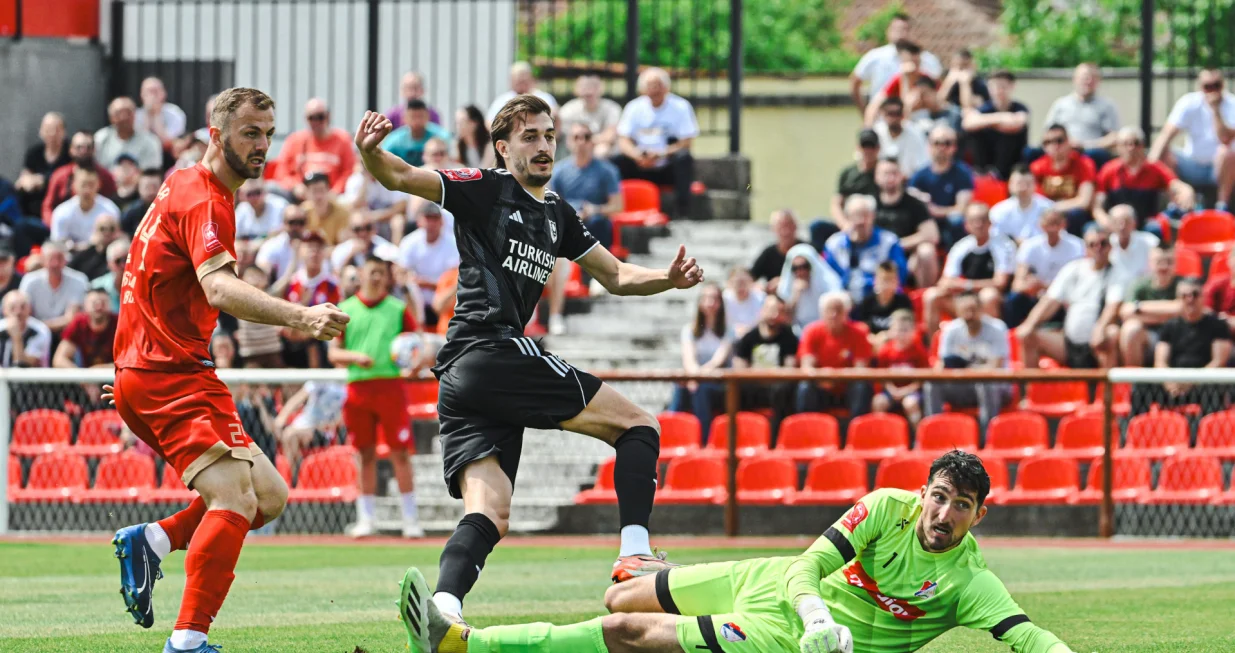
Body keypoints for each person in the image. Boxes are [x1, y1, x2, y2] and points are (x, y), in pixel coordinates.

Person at [354, 93, 704, 618]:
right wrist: (369, 153)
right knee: (639, 426)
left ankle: (444, 609)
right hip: (490, 349)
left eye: (548, 135)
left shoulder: (558, 213)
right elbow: (402, 176)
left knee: (490, 514)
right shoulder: (486, 189)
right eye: (529, 137)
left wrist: (667, 279)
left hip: (461, 375)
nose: (543, 147)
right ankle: (634, 555)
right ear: (502, 148)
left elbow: (615, 275)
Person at [105, 87, 350, 653]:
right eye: (250, 133)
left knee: (268, 495)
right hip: (169, 376)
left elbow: (150, 282)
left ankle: (154, 541)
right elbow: (217, 287)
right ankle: (187, 643)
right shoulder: (206, 198)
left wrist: (127, 368)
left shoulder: (186, 184)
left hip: (160, 370)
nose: (263, 145)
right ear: (217, 136)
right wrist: (302, 316)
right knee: (236, 500)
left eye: (268, 133)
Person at [399, 450, 1078, 653]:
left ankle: (462, 644)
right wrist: (818, 611)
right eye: (937, 495)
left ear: (978, 514)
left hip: (778, 632)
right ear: (923, 491)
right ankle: (648, 565)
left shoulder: (967, 577)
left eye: (960, 505)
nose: (942, 512)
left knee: (625, 630)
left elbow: (1026, 635)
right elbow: (811, 562)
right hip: (779, 582)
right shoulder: (885, 505)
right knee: (619, 591)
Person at [326, 256, 424, 538]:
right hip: (358, 387)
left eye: (381, 273)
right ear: (361, 275)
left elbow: (415, 344)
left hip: (391, 387)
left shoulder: (397, 309)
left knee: (400, 452)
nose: (377, 278)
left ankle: (410, 519)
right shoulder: (345, 309)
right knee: (364, 453)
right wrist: (356, 357)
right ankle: (366, 518)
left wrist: (414, 362)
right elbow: (334, 353)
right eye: (372, 272)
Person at [546, 121, 624, 334]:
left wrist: (594, 210)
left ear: (593, 141)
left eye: (586, 137)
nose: (581, 142)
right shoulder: (560, 170)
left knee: (600, 223)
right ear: (569, 142)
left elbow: (617, 205)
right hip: (567, 223)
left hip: (593, 221)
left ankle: (597, 277)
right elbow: (550, 204)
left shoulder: (606, 171)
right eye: (576, 137)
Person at [1017, 227, 1125, 369]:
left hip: (1098, 343)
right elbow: (1050, 301)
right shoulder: (1073, 268)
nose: (1098, 248)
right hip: (1069, 344)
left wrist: (1100, 329)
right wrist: (1029, 324)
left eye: (1103, 243)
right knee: (1028, 337)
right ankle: (1029, 390)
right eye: (1092, 244)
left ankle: (1107, 391)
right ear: (1086, 248)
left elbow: (1113, 307)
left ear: (1110, 247)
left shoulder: (1118, 272)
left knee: (1111, 334)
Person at [1131, 277, 1232, 415]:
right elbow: (1160, 361)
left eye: (1195, 294)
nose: (1190, 299)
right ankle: (1132, 433)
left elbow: (1218, 362)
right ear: (1178, 299)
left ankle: (1205, 433)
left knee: (1215, 390)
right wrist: (1169, 381)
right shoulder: (1169, 326)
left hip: (1202, 386)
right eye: (1184, 296)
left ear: (1203, 297)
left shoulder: (1218, 326)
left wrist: (1191, 381)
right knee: (1140, 386)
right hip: (1173, 386)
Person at [613, 67, 699, 217]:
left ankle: (683, 210)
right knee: (615, 162)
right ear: (642, 89)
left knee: (684, 158)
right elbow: (623, 140)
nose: (654, 90)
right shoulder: (634, 107)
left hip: (666, 165)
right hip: (640, 164)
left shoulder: (681, 106)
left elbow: (686, 143)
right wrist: (637, 155)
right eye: (650, 86)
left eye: (658, 85)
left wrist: (662, 154)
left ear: (666, 87)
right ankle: (617, 208)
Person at [1148, 67, 1235, 210]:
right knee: (1165, 151)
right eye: (1207, 86)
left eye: (1216, 85)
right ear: (1199, 87)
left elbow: (1225, 139)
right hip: (1192, 163)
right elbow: (1166, 135)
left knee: (1226, 152)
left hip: (1220, 169)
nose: (1212, 90)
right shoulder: (1189, 102)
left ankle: (1222, 206)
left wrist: (1215, 111)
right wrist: (1150, 164)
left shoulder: (1232, 104)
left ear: (1223, 85)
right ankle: (1175, 204)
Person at [924, 203, 1016, 334]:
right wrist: (957, 286)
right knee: (931, 295)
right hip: (966, 300)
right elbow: (945, 281)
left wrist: (966, 285)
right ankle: (933, 347)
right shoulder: (961, 247)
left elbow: (1000, 283)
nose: (978, 225)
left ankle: (991, 343)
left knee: (988, 295)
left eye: (982, 220)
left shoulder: (1004, 245)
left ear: (990, 223)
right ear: (966, 225)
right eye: (974, 221)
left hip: (997, 301)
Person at [925, 292, 1013, 429]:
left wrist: (964, 370)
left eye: (972, 309)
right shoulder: (951, 330)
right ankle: (934, 432)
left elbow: (996, 367)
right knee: (932, 384)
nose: (969, 315)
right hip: (964, 385)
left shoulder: (997, 328)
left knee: (986, 384)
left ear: (981, 309)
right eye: (965, 310)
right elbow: (941, 365)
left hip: (996, 387)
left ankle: (987, 439)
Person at [1095, 126, 1194, 234]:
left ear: (1142, 146)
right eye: (1126, 144)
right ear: (1118, 147)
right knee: (1093, 230)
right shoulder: (1108, 170)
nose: (1131, 148)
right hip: (1117, 224)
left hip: (1147, 224)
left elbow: (1176, 185)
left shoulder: (1154, 169)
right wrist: (1105, 221)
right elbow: (1097, 206)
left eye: (1136, 143)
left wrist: (1187, 190)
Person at [668, 283, 733, 438]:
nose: (710, 303)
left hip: (719, 384)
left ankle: (703, 439)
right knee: (681, 386)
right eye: (706, 298)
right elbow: (689, 360)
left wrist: (696, 378)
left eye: (714, 298)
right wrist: (694, 377)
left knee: (700, 389)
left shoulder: (728, 331)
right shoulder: (689, 330)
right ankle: (669, 434)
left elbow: (718, 360)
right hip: (696, 380)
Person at [1004, 207, 1085, 328]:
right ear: (1040, 224)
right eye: (1048, 223)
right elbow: (1017, 284)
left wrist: (1044, 286)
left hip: (1063, 298)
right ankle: (1011, 337)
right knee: (1014, 299)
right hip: (1035, 295)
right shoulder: (1029, 246)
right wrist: (1031, 287)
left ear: (1064, 224)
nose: (1052, 227)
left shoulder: (1076, 246)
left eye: (1056, 223)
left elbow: (1079, 282)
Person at [732, 293, 798, 439]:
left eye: (779, 311)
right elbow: (739, 368)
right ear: (762, 310)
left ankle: (776, 440)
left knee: (783, 391)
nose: (774, 315)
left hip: (777, 388)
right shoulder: (749, 337)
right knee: (734, 390)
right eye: (770, 309)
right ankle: (741, 437)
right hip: (753, 386)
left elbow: (790, 368)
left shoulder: (789, 337)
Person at [797, 291, 874, 417]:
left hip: (847, 388)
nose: (833, 315)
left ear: (846, 312)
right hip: (820, 386)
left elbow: (860, 369)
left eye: (838, 310)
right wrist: (822, 378)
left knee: (862, 387)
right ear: (822, 313)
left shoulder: (859, 332)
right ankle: (806, 430)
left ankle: (856, 432)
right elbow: (807, 366)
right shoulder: (811, 331)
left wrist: (835, 376)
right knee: (805, 387)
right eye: (829, 310)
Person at [849, 12, 943, 114]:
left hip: (921, 120)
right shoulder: (875, 57)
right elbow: (855, 83)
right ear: (888, 31)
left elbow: (938, 90)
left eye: (905, 29)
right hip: (883, 119)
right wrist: (865, 112)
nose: (901, 34)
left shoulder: (928, 59)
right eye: (896, 29)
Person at [824, 194, 907, 306]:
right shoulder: (834, 245)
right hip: (844, 304)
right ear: (847, 217)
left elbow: (898, 278)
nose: (860, 221)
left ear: (873, 216)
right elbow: (828, 279)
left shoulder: (889, 242)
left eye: (865, 215)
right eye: (855, 216)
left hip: (878, 302)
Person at [1039, 63, 1120, 169]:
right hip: (1061, 151)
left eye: (1092, 78)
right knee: (1031, 153)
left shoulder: (1107, 106)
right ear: (1075, 79)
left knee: (1097, 154)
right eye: (1084, 77)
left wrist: (1085, 145)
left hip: (1091, 152)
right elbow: (1047, 132)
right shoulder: (1060, 104)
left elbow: (1113, 137)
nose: (1088, 81)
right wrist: (1065, 144)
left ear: (1098, 81)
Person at [272, 98, 357, 198]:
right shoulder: (294, 140)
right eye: (312, 118)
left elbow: (349, 172)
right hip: (300, 197)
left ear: (328, 116)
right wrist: (295, 186)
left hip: (333, 197)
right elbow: (281, 172)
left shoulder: (343, 140)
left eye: (320, 117)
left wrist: (334, 192)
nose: (316, 122)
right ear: (306, 119)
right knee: (271, 189)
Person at [873, 157, 938, 288]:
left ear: (901, 176)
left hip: (908, 258)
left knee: (927, 251)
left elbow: (932, 235)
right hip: (875, 255)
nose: (890, 178)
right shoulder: (870, 204)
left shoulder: (914, 204)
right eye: (886, 174)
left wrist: (897, 245)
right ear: (877, 177)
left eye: (894, 173)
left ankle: (923, 297)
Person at [909, 124, 975, 246]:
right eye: (937, 143)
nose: (942, 147)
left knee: (956, 220)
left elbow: (961, 209)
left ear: (955, 147)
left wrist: (934, 210)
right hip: (928, 224)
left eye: (947, 143)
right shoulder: (919, 176)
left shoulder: (963, 173)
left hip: (951, 226)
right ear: (929, 146)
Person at [397, 203, 460, 327]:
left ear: (441, 222)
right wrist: (412, 281)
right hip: (416, 296)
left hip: (443, 295)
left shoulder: (452, 244)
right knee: (408, 287)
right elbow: (401, 272)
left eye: (435, 218)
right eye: (428, 218)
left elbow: (455, 278)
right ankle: (415, 326)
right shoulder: (409, 242)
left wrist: (429, 284)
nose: (431, 223)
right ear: (419, 221)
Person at [1118, 246, 1181, 367]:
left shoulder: (1182, 283)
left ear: (1175, 264)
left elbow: (1184, 309)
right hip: (1149, 339)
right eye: (1159, 262)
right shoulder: (1139, 284)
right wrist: (1168, 313)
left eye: (1168, 262)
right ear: (1150, 263)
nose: (1163, 267)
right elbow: (1125, 312)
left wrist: (1140, 309)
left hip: (1177, 338)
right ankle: (1135, 383)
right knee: (1131, 328)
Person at [1029, 124, 1097, 236]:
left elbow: (1084, 201)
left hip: (1071, 215)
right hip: (1046, 215)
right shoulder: (1037, 167)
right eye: (1048, 142)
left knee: (1076, 215)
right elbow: (1035, 201)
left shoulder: (1084, 164)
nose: (1054, 146)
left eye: (1059, 140)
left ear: (1068, 142)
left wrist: (1055, 208)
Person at [962, 70, 1029, 180]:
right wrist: (1001, 119)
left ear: (1012, 86)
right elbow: (967, 123)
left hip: (1011, 167)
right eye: (995, 86)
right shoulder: (984, 109)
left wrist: (985, 122)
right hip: (985, 164)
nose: (999, 90)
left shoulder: (1020, 108)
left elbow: (1017, 123)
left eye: (1003, 86)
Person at [42, 131, 119, 224]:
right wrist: (55, 224)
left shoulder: (105, 176)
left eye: (88, 147)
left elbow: (113, 205)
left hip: (98, 228)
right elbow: (47, 206)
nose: (84, 151)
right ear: (71, 150)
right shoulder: (59, 175)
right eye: (79, 147)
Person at [274, 378, 347, 473]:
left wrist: (330, 425)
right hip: (301, 426)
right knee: (285, 433)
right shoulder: (320, 379)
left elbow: (342, 417)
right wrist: (281, 418)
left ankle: (295, 477)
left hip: (323, 431)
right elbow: (297, 399)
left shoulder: (347, 387)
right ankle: (294, 473)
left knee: (291, 435)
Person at [18, 240, 89, 336]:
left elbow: (72, 318)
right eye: (51, 258)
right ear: (43, 260)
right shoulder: (30, 280)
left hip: (67, 334)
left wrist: (42, 325)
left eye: (59, 258)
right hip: (34, 333)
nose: (55, 263)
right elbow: (24, 313)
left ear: (66, 260)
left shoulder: (79, 280)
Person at [871, 309, 929, 425]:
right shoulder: (885, 350)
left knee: (910, 403)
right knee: (878, 402)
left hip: (912, 391)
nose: (901, 334)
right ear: (891, 330)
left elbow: (922, 378)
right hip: (890, 390)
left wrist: (905, 391)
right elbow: (882, 376)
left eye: (905, 330)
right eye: (898, 329)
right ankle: (880, 436)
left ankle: (917, 438)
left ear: (913, 331)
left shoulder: (919, 351)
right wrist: (893, 390)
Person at [863, 40, 938, 127]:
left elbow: (908, 105)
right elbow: (874, 105)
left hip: (923, 123)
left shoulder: (926, 79)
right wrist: (868, 128)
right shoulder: (897, 79)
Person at [827, 129, 881, 239]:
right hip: (850, 223)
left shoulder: (883, 172)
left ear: (878, 148)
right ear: (858, 148)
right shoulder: (847, 173)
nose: (868, 150)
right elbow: (836, 204)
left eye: (871, 147)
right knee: (818, 227)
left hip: (874, 224)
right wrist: (844, 224)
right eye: (864, 146)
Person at [50, 167, 122, 249]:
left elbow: (116, 242)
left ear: (99, 185)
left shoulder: (110, 210)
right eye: (83, 185)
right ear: (74, 185)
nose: (87, 190)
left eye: (91, 185)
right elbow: (57, 244)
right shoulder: (62, 212)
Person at [15, 112, 70, 218]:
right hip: (33, 206)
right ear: (41, 131)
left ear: (64, 131)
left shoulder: (70, 153)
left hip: (58, 206)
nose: (52, 133)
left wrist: (43, 180)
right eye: (48, 129)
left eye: (56, 129)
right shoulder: (34, 153)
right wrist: (26, 181)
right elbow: (25, 176)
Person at [778, 243, 843, 328]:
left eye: (804, 266)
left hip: (825, 328)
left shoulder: (828, 283)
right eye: (795, 268)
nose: (800, 272)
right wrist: (795, 296)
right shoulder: (788, 286)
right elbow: (786, 319)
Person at [559, 74, 623, 158]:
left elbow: (610, 135)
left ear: (601, 89)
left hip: (604, 151)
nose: (589, 90)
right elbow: (565, 136)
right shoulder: (568, 110)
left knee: (602, 150)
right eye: (583, 87)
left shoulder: (612, 108)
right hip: (575, 148)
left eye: (593, 86)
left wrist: (588, 141)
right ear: (576, 90)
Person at [853, 260, 913, 349]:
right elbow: (859, 326)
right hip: (870, 343)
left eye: (890, 280)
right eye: (883, 280)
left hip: (895, 345)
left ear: (897, 282)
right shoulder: (867, 302)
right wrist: (872, 338)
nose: (886, 284)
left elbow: (908, 328)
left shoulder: (903, 302)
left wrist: (886, 336)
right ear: (875, 281)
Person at [53, 286, 117, 368]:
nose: (98, 307)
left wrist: (100, 369)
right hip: (86, 378)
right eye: (94, 303)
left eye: (103, 303)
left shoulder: (119, 323)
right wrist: (81, 376)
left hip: (113, 376)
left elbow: (128, 359)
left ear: (110, 304)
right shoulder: (79, 323)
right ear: (85, 305)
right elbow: (59, 359)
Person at [94, 96, 163, 170]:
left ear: (135, 115)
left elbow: (152, 172)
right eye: (118, 113)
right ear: (111, 117)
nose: (124, 117)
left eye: (128, 112)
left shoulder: (150, 141)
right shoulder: (101, 138)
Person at [990, 164, 1054, 242]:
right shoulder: (998, 211)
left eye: (1028, 184)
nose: (1023, 188)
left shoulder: (1048, 208)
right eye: (1019, 183)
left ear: (1035, 185)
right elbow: (995, 237)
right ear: (1010, 185)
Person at [383, 100, 454, 167]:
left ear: (428, 117)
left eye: (420, 116)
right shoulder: (394, 140)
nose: (417, 121)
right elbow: (383, 160)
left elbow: (453, 159)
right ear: (404, 118)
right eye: (413, 117)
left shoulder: (441, 136)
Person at [485, 61, 559, 125]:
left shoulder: (544, 97)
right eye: (516, 80)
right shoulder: (502, 100)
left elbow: (553, 115)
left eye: (523, 79)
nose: (520, 83)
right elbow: (489, 121)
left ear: (531, 78)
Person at [750, 209, 804, 293]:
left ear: (795, 227)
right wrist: (763, 287)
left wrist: (784, 283)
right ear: (773, 229)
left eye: (788, 225)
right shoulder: (768, 254)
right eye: (781, 226)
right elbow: (751, 279)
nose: (785, 231)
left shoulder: (807, 251)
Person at [872, 97, 929, 176]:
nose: (894, 118)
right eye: (890, 113)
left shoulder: (916, 133)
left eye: (898, 113)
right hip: (880, 183)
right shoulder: (876, 132)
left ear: (903, 115)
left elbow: (922, 166)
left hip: (908, 182)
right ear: (883, 114)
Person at [255, 204, 310, 280]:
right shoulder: (272, 245)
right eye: (292, 222)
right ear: (284, 223)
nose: (297, 227)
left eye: (301, 222)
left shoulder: (315, 242)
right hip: (283, 290)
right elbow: (261, 274)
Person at [0, 290, 52, 368]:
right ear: (4, 310)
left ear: (30, 309)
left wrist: (17, 339)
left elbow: (23, 366)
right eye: (12, 308)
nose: (18, 312)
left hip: (32, 378)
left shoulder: (40, 331)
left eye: (22, 307)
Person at [332, 212, 400, 272]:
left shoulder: (385, 249)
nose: (363, 233)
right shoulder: (341, 251)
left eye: (368, 228)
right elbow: (336, 277)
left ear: (374, 229)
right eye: (357, 229)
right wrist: (351, 255)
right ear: (350, 231)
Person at [1108, 204, 1159, 280]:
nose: (1122, 226)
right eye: (1116, 222)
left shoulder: (1150, 242)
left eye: (1126, 221)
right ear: (1111, 224)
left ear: (1134, 223)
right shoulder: (1104, 244)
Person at [136, 76, 188, 146]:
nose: (152, 96)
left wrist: (156, 114)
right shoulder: (135, 115)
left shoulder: (175, 113)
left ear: (164, 93)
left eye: (155, 91)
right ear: (141, 95)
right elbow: (139, 142)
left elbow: (169, 142)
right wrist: (148, 114)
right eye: (149, 91)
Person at [301, 171, 351, 245]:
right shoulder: (303, 212)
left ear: (328, 190)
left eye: (321, 190)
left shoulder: (342, 213)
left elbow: (343, 245)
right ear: (307, 193)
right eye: (314, 191)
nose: (318, 196)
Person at [68, 215, 123, 280]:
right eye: (102, 229)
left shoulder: (121, 256)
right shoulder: (85, 253)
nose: (107, 232)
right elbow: (69, 271)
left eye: (111, 229)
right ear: (96, 230)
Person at [722, 267, 765, 337]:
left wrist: (748, 330)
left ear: (751, 282)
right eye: (737, 282)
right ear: (730, 283)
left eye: (743, 282)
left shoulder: (761, 298)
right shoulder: (724, 299)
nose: (740, 287)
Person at [122, 168, 164, 236]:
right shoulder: (130, 212)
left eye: (154, 187)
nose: (151, 191)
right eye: (147, 187)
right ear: (139, 188)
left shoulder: (168, 210)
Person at [92, 238, 130, 312]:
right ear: (109, 264)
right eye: (118, 261)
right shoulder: (97, 286)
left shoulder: (142, 286)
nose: (124, 265)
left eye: (128, 260)